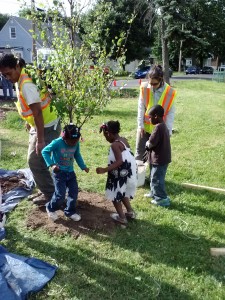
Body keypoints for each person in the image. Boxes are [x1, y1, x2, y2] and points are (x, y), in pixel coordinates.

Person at [0, 54, 61, 204]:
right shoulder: (20, 76)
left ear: (17, 66)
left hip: (47, 126)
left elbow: (38, 112)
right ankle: (47, 190)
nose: (7, 77)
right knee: (38, 161)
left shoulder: (26, 84)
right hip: (41, 124)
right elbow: (31, 108)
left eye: (9, 73)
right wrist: (30, 122)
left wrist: (40, 140)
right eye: (3, 75)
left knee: (35, 161)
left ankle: (52, 196)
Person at [42, 124, 89, 221]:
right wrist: (52, 164)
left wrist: (83, 166)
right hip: (59, 173)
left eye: (75, 141)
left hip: (70, 172)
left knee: (74, 192)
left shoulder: (76, 143)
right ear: (64, 137)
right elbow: (45, 151)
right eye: (71, 141)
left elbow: (77, 155)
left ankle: (70, 211)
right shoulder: (57, 142)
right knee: (60, 194)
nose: (73, 143)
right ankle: (50, 208)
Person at [96, 121, 137, 225]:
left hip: (118, 174)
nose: (105, 138)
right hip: (127, 173)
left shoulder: (115, 145)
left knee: (115, 195)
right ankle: (130, 212)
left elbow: (120, 161)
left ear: (108, 133)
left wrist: (104, 169)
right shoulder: (123, 140)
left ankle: (122, 218)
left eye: (105, 135)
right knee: (122, 192)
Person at [135, 65, 176, 162]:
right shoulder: (144, 88)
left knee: (155, 156)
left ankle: (153, 176)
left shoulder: (170, 92)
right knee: (140, 154)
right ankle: (139, 176)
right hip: (144, 128)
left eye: (154, 84)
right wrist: (140, 125)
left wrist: (168, 131)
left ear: (161, 80)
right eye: (150, 83)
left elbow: (171, 113)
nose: (152, 86)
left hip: (159, 129)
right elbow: (141, 107)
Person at [145, 105, 171, 207]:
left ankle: (162, 199)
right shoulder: (163, 126)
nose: (149, 119)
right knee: (153, 176)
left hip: (159, 159)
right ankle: (154, 193)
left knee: (157, 179)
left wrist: (147, 143)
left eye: (150, 117)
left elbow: (151, 143)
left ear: (156, 116)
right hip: (161, 158)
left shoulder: (158, 128)